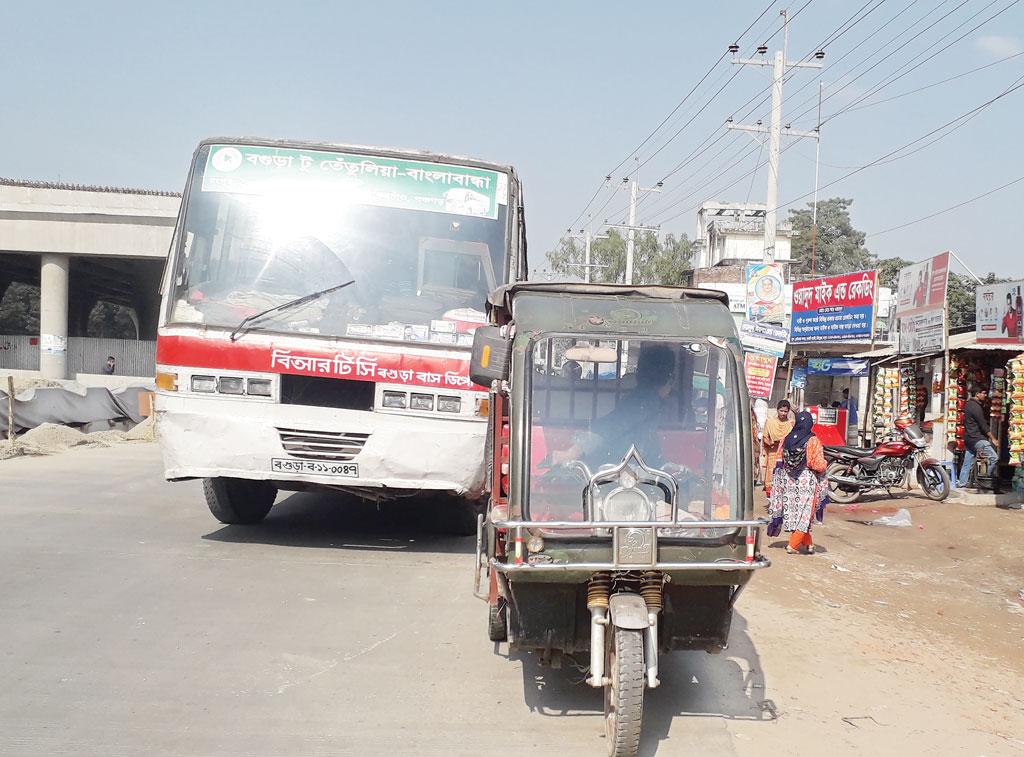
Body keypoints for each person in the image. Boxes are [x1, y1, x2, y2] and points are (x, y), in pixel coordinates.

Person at [551, 344, 675, 467]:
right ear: (669, 378)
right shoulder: (645, 400)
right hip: (618, 470)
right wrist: (573, 452)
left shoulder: (647, 400)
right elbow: (610, 425)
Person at [767, 411, 828, 554]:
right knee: (805, 513)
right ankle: (793, 545)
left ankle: (808, 544)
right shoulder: (813, 441)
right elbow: (818, 464)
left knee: (795, 512)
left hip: (788, 481)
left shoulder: (785, 439)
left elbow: (779, 461)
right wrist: (825, 464)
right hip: (806, 481)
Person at [958, 387, 1001, 493]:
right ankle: (985, 480)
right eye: (983, 393)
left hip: (969, 438)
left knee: (968, 462)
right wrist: (993, 439)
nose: (985, 395)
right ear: (977, 394)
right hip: (977, 438)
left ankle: (962, 483)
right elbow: (983, 425)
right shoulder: (976, 407)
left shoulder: (968, 404)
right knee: (993, 458)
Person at [761, 400, 795, 495]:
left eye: (785, 411)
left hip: (785, 455)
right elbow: (765, 437)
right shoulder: (770, 422)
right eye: (781, 411)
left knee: (784, 478)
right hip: (773, 453)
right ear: (777, 410)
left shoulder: (790, 424)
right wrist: (771, 443)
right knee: (771, 477)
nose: (783, 413)